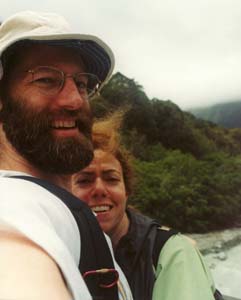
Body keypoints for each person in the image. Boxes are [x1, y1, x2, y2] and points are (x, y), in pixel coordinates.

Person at [0, 11, 132, 300]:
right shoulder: (14, 207)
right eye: (46, 80)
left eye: (83, 84)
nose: (75, 100)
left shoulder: (69, 211)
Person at [72, 113, 220, 300]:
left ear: (127, 190)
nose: (99, 189)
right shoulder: (63, 251)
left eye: (111, 179)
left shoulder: (171, 254)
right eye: (84, 180)